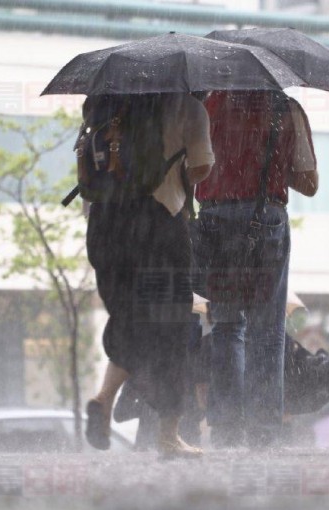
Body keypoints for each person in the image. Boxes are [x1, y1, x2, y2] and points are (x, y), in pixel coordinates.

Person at [83, 92, 214, 458]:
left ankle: (104, 399)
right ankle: (168, 435)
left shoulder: (109, 105)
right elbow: (202, 168)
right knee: (172, 327)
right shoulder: (187, 108)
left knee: (132, 318)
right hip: (156, 227)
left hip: (105, 229)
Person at [195, 90, 318, 448]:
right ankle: (264, 432)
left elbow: (193, 169)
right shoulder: (286, 108)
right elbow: (309, 184)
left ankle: (227, 428)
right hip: (265, 221)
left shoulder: (206, 105)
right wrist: (271, 168)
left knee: (227, 327)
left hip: (215, 220)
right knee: (267, 330)